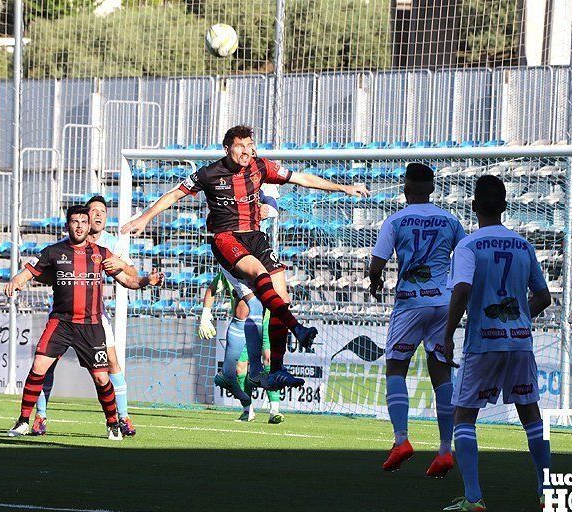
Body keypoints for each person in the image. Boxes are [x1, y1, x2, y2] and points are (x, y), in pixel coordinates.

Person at [122, 124, 368, 390]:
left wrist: (343, 187)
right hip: (226, 238)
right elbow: (174, 194)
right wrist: (145, 217)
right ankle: (296, 329)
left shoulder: (260, 167)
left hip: (256, 237)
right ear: (227, 148)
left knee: (282, 299)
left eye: (251, 146)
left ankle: (276, 370)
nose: (247, 151)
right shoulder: (208, 174)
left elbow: (302, 179)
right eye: (241, 146)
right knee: (260, 276)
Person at [442, 175, 552, 511]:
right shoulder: (523, 245)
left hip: (483, 343)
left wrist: (446, 335)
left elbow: (461, 291)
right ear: (505, 206)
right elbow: (544, 297)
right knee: (530, 414)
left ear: (473, 206)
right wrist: (519, 320)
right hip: (519, 343)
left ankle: (474, 497)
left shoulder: (469, 246)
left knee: (463, 416)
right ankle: (546, 489)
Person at [5, 205, 162, 440]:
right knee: (38, 367)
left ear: (89, 226)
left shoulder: (101, 253)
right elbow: (29, 271)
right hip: (60, 323)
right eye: (74, 222)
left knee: (101, 377)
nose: (79, 226)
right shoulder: (53, 252)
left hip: (91, 325)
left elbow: (128, 281)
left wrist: (146, 281)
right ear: (68, 225)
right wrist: (17, 279)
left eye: (83, 222)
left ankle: (112, 423)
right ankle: (23, 421)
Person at [368, 163, 466, 477]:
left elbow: (377, 262)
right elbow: (465, 257)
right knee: (441, 375)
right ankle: (444, 451)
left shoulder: (395, 220)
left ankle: (401, 440)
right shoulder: (450, 220)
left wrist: (375, 282)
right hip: (444, 302)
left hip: (411, 302)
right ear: (433, 189)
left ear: (406, 189)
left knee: (396, 365)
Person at [32, 195, 139, 438]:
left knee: (110, 365)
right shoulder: (65, 245)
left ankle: (123, 417)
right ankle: (40, 416)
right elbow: (41, 273)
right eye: (94, 211)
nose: (99, 215)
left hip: (95, 317)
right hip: (63, 316)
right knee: (46, 365)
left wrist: (119, 267)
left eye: (103, 211)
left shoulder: (111, 244)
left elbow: (131, 272)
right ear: (85, 218)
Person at [199, 269, 283, 423]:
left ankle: (274, 411)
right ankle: (247, 410)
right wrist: (205, 316)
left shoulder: (259, 269)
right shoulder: (228, 273)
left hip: (265, 322)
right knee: (239, 369)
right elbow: (211, 289)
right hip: (243, 327)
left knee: (268, 361)